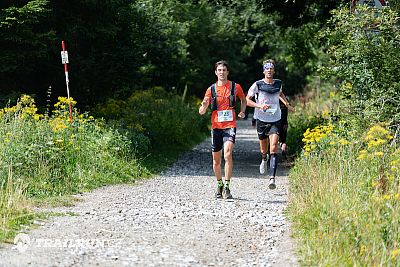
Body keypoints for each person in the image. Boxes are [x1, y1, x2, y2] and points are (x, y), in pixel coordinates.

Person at [199, 60, 247, 199]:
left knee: (227, 154)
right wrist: (204, 105)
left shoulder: (235, 87)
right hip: (216, 127)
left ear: (227, 72)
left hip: (229, 125)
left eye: (224, 70)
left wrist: (242, 111)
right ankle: (219, 184)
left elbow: (243, 100)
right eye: (219, 70)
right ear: (216, 72)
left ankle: (227, 186)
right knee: (216, 160)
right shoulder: (211, 89)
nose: (221, 72)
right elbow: (201, 111)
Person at [246, 59, 294, 189]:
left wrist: (287, 105)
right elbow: (247, 100)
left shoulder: (278, 83)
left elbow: (280, 93)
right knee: (264, 149)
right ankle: (263, 158)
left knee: (273, 148)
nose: (269, 70)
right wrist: (259, 106)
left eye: (271, 68)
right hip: (262, 119)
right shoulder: (257, 84)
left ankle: (272, 178)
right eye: (267, 68)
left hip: (275, 119)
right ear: (263, 71)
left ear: (274, 71)